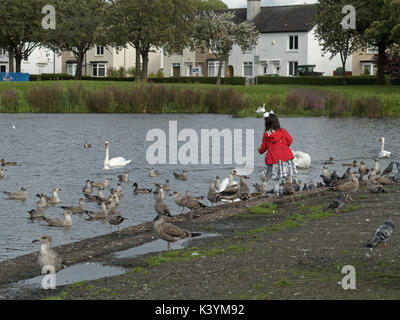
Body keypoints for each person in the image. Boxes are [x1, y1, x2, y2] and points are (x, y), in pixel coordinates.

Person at [257, 111, 297, 195]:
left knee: (275, 178)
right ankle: (288, 191)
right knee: (287, 175)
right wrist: (284, 147)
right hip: (286, 157)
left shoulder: (266, 135)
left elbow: (263, 148)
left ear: (266, 124)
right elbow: (290, 140)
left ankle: (276, 193)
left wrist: (259, 150)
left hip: (274, 159)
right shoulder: (283, 131)